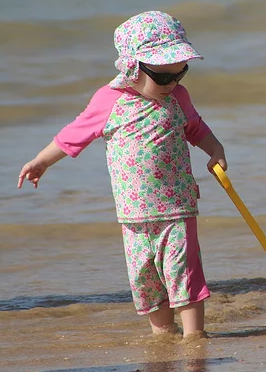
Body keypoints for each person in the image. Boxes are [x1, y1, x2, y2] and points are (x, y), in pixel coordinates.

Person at [17, 11, 227, 339]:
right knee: (146, 280)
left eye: (180, 74)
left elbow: (196, 128)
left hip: (177, 208)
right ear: (132, 67)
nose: (171, 84)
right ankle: (163, 334)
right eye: (162, 77)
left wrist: (215, 149)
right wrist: (42, 161)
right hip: (132, 215)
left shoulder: (177, 98)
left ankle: (194, 337)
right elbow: (75, 133)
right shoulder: (109, 101)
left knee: (183, 274)